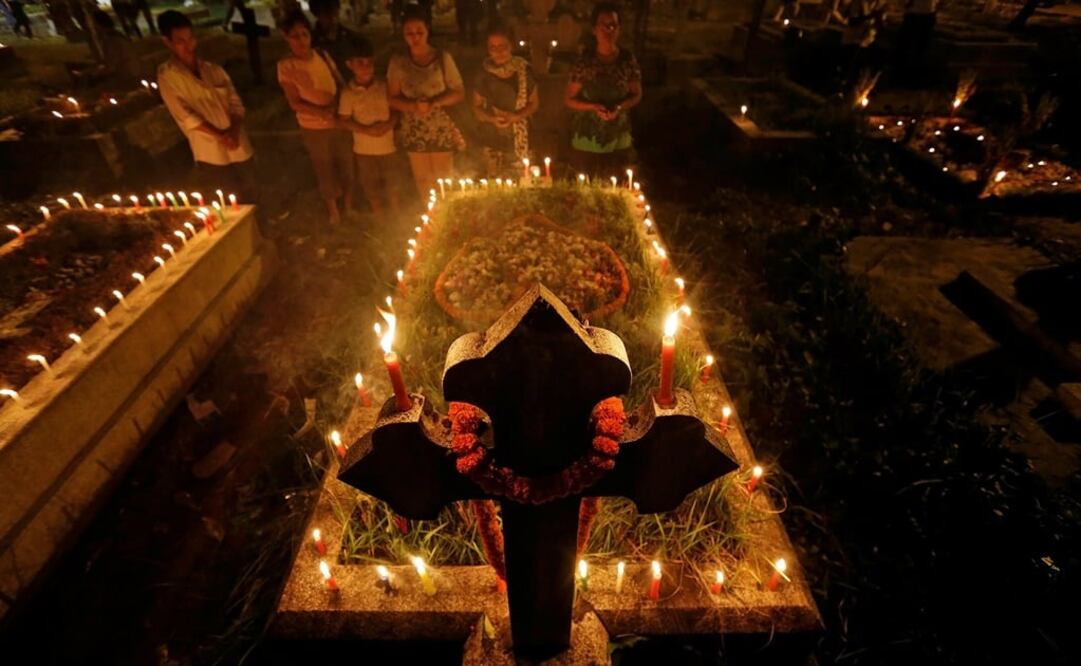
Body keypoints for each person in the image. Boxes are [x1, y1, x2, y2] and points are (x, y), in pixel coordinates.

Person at [156, 10, 257, 203]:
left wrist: (234, 131)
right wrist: (221, 136)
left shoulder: (214, 70)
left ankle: (263, 229)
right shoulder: (168, 77)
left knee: (252, 188)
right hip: (210, 152)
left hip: (238, 143)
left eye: (191, 38)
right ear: (167, 42)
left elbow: (236, 104)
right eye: (180, 41)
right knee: (231, 199)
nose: (189, 45)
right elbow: (186, 116)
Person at [277, 9, 355, 225]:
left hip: (338, 121)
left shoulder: (322, 55)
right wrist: (320, 112)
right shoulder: (287, 66)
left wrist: (341, 106)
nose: (301, 40)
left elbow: (339, 82)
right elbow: (294, 102)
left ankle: (349, 206)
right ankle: (333, 211)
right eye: (295, 36)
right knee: (325, 168)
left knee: (346, 162)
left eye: (304, 34)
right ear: (287, 38)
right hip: (314, 127)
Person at [387, 6, 466, 198]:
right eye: (409, 33)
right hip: (415, 129)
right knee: (423, 179)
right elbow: (392, 98)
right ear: (403, 34)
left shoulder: (442, 58)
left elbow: (458, 92)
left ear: (427, 31)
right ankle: (430, 218)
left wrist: (434, 103)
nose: (415, 37)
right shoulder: (398, 62)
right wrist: (413, 106)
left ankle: (447, 217)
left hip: (440, 127)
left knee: (443, 178)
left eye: (419, 32)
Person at [564, 2, 642, 176]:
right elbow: (569, 99)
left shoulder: (627, 60)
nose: (609, 29)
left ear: (619, 29)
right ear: (594, 29)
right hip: (587, 138)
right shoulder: (584, 62)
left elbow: (636, 94)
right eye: (604, 25)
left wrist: (619, 107)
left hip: (618, 137)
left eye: (613, 25)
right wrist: (593, 107)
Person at [338, 38, 402, 224]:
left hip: (388, 147)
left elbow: (396, 111)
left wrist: (389, 124)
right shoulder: (348, 93)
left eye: (369, 63)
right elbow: (343, 120)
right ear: (350, 65)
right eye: (360, 63)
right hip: (363, 150)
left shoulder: (384, 87)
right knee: (370, 183)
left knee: (393, 180)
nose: (366, 67)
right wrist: (365, 129)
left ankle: (397, 214)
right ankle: (379, 215)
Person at [472, 21, 539, 176]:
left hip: (523, 139)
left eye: (503, 46)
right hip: (493, 139)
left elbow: (534, 103)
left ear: (512, 46)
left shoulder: (524, 71)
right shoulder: (483, 75)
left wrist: (516, 116)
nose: (498, 52)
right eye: (493, 48)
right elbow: (476, 107)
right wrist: (492, 118)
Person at [310, 0, 365, 77]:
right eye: (326, 15)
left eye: (335, 13)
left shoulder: (352, 38)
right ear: (317, 15)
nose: (333, 18)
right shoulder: (310, 42)